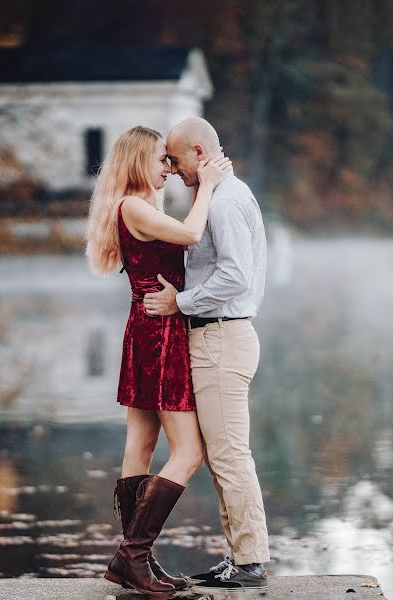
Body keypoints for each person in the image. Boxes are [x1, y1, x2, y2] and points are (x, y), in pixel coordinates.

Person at [85, 125, 231, 597]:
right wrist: (207, 186)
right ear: (136, 162)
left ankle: (137, 557)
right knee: (189, 452)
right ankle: (132, 555)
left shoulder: (139, 208)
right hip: (160, 333)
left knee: (141, 445)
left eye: (170, 160)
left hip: (147, 328)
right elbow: (191, 234)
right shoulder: (133, 207)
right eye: (159, 159)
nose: (167, 167)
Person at [143, 117, 270, 591]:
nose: (172, 169)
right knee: (222, 456)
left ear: (199, 151)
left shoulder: (224, 202)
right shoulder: (221, 195)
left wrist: (180, 302)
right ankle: (240, 556)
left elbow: (235, 276)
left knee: (231, 456)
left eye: (175, 160)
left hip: (221, 337)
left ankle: (251, 564)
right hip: (219, 336)